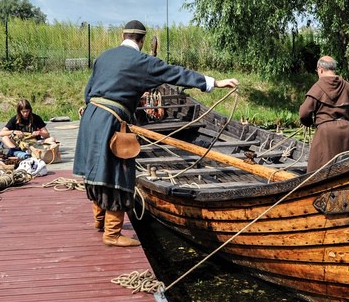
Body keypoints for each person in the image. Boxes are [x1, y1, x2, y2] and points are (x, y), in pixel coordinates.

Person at [73, 20, 239, 247]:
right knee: (117, 171)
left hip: (91, 116)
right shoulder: (142, 61)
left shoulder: (104, 57)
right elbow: (175, 74)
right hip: (111, 120)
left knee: (96, 168)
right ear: (141, 41)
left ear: (123, 35)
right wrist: (215, 82)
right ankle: (112, 234)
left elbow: (89, 90)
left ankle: (99, 221)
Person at [298, 55, 349, 173]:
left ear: (321, 69)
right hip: (345, 130)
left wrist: (309, 123)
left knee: (317, 170)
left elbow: (303, 114)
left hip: (326, 132)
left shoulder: (317, 87)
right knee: (344, 168)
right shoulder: (345, 85)